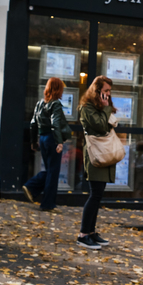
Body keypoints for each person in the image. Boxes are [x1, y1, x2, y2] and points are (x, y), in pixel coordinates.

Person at [76, 76, 115, 249]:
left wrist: (106, 110)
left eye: (109, 91)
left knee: (98, 195)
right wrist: (106, 110)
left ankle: (90, 232)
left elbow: (106, 126)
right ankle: (83, 234)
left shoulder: (99, 108)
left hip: (102, 152)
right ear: (97, 90)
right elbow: (100, 126)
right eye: (105, 91)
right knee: (95, 194)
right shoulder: (87, 107)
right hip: (95, 154)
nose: (108, 94)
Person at [23, 77, 70, 211]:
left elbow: (33, 124)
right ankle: (46, 201)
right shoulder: (55, 104)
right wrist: (59, 142)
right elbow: (55, 123)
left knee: (50, 170)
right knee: (53, 171)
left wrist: (33, 141)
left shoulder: (40, 104)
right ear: (57, 89)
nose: (62, 92)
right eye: (61, 89)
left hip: (43, 139)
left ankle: (32, 188)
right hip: (52, 139)